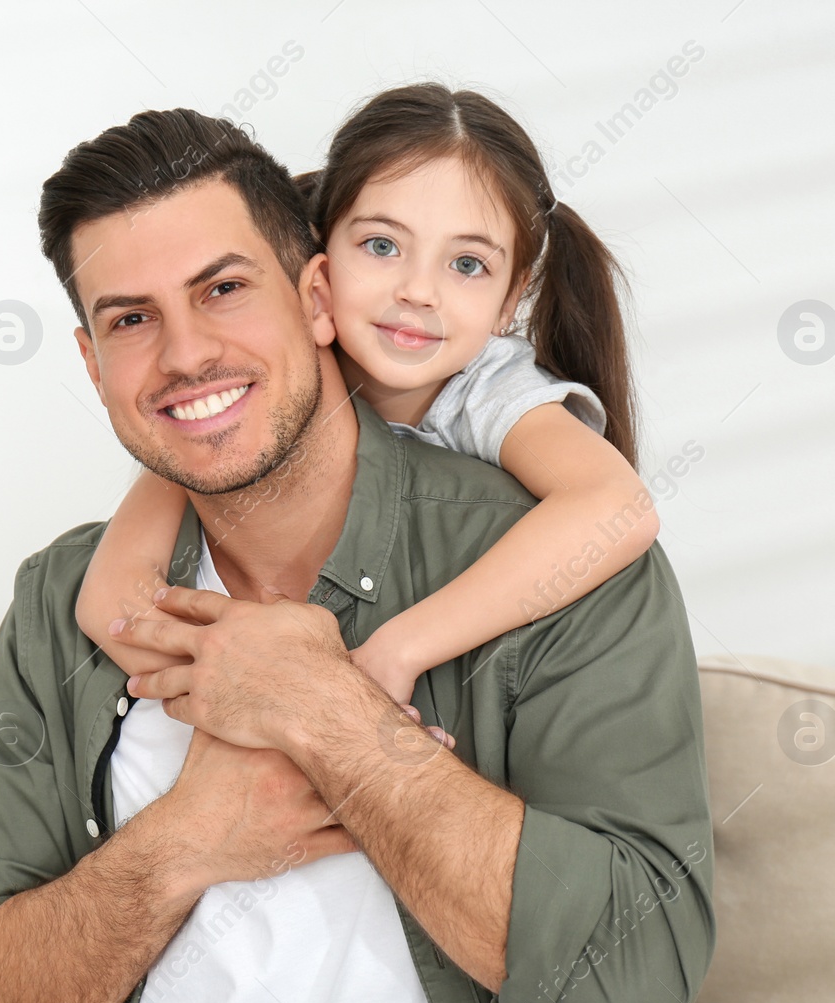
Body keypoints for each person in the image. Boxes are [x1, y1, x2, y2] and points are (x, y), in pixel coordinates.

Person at [0, 86, 714, 1003]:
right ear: (91, 363)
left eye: (222, 288)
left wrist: (327, 711)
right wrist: (187, 838)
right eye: (131, 319)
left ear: (311, 297)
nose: (185, 352)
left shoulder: (561, 558)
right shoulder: (64, 591)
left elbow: (635, 986)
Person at [75, 88, 654, 708]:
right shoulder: (264, 384)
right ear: (318, 260)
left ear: (511, 299)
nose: (418, 291)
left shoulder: (492, 389)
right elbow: (116, 590)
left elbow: (618, 506)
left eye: (467, 264)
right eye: (382, 246)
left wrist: (398, 649)